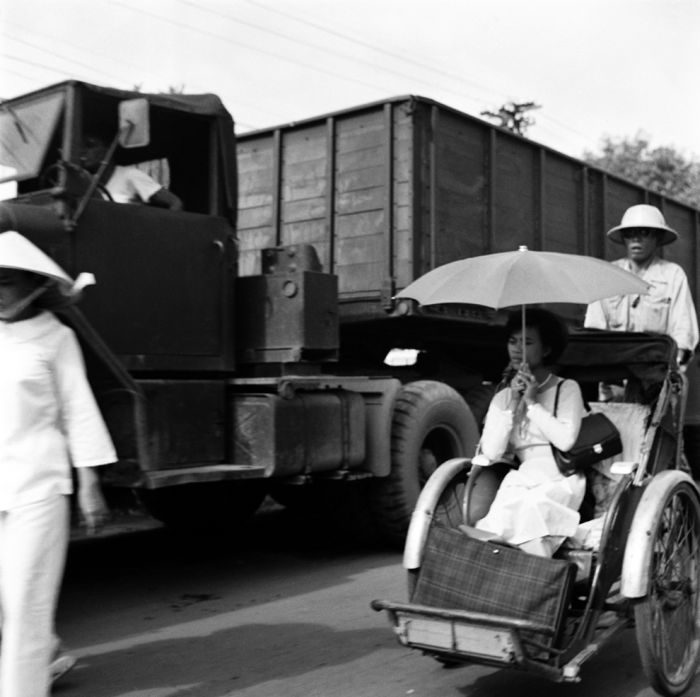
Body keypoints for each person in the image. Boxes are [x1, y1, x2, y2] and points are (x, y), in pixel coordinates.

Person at [0, 230, 117, 697]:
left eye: (4, 280)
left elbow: (78, 409)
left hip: (40, 487)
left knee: (26, 601)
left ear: (32, 283)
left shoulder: (56, 337)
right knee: (12, 595)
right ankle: (46, 654)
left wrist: (89, 482)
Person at [471, 309, 585, 557]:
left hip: (560, 478)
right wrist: (513, 401)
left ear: (546, 350)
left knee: (532, 509)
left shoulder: (567, 388)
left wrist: (533, 404)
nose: (517, 349)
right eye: (513, 341)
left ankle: (535, 579)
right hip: (522, 477)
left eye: (527, 342)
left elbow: (566, 441)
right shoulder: (503, 396)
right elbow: (492, 451)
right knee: (502, 517)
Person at [584, 204, 699, 369]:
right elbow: (593, 330)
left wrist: (673, 369)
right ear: (623, 238)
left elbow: (683, 329)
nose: (636, 239)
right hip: (613, 372)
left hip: (657, 371)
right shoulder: (607, 275)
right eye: (630, 234)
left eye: (644, 233)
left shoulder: (672, 275)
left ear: (658, 238)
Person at [80, 133, 183, 211]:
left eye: (90, 145)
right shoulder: (88, 185)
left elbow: (175, 202)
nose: (83, 151)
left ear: (108, 150)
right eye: (81, 147)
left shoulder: (129, 175)